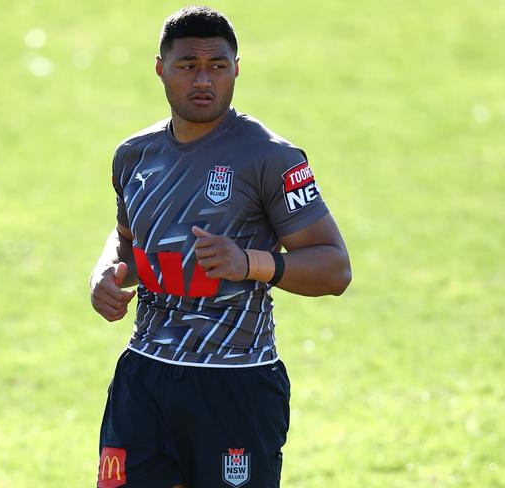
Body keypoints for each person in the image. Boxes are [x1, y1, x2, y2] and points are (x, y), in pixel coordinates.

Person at [89, 6, 351, 488]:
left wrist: (250, 263)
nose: (203, 79)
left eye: (218, 66)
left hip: (235, 383)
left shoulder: (271, 157)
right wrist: (107, 272)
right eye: (188, 65)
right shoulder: (134, 155)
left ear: (237, 68)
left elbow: (335, 268)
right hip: (144, 377)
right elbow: (128, 241)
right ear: (160, 70)